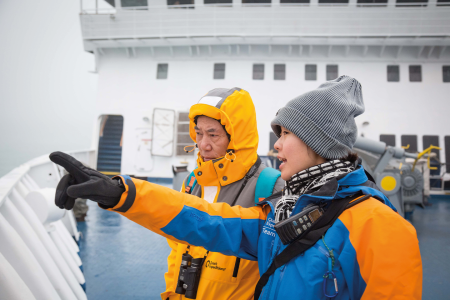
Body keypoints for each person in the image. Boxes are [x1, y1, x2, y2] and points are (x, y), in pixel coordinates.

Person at [51, 76, 422, 299]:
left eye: (286, 134)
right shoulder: (287, 212)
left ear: (317, 143)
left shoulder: (382, 229)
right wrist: (122, 193)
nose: (275, 145)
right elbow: (208, 221)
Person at [162, 88, 284, 300]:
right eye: (199, 133)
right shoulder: (192, 182)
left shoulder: (272, 188)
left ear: (237, 138)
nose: (203, 145)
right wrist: (171, 293)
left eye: (213, 134)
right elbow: (176, 246)